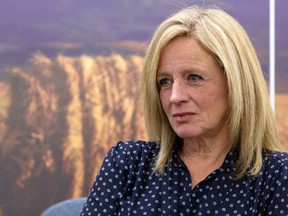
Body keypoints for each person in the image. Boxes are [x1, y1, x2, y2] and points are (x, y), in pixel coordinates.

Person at [81, 6, 288, 215]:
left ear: (236, 83)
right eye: (164, 81)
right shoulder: (128, 164)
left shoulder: (277, 176)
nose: (175, 96)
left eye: (193, 78)